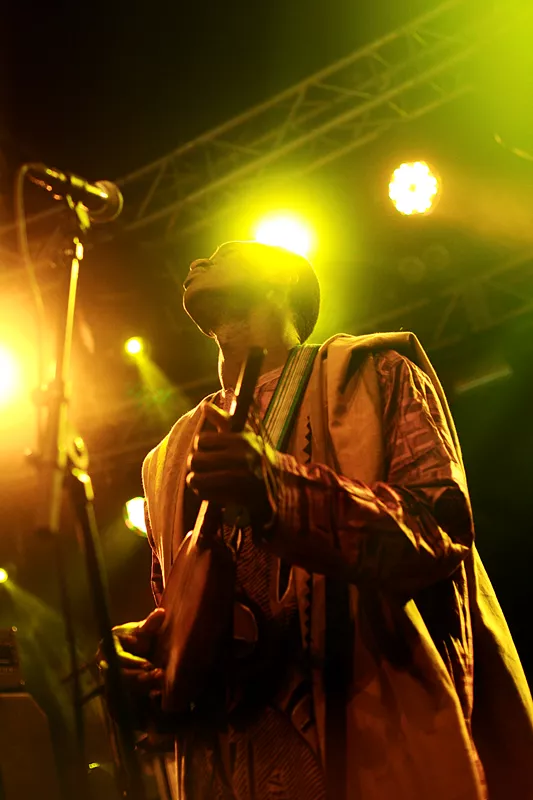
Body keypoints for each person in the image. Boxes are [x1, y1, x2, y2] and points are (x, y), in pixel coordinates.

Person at [109, 241, 533, 800]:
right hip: (229, 770)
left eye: (224, 253)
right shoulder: (167, 457)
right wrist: (147, 658)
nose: (195, 262)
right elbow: (178, 613)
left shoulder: (376, 374)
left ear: (284, 279)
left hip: (371, 749)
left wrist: (280, 491)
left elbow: (441, 528)